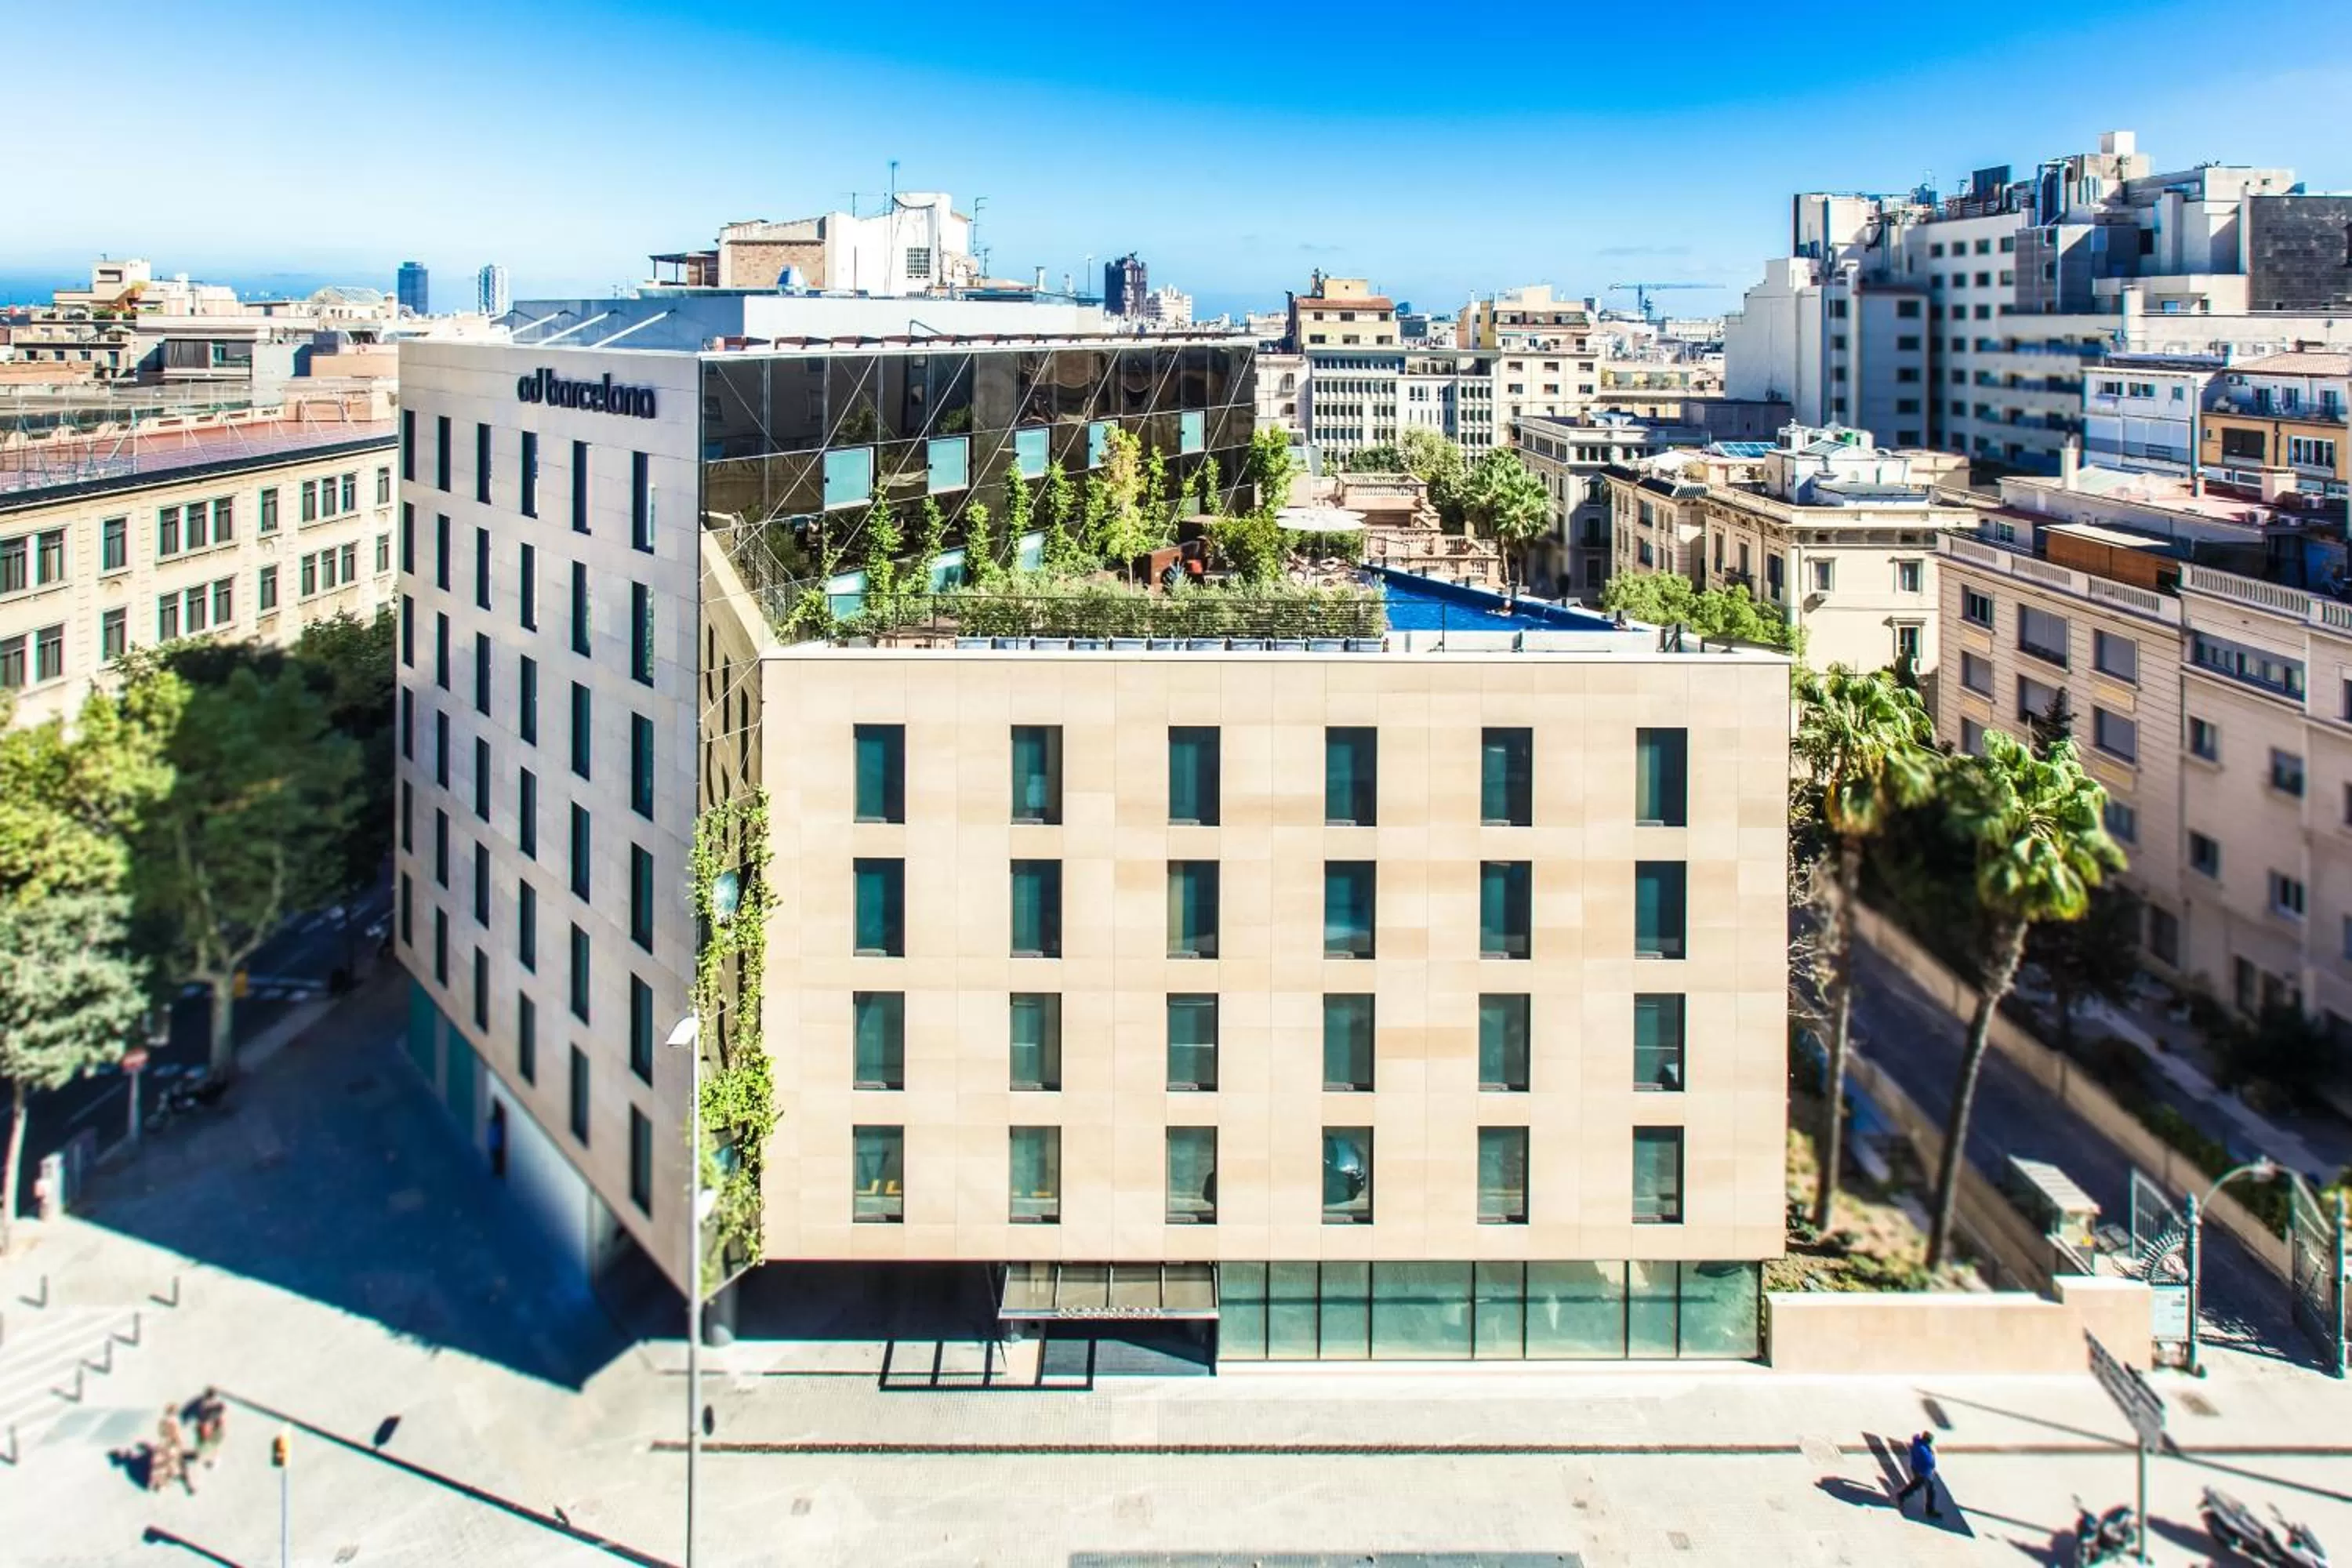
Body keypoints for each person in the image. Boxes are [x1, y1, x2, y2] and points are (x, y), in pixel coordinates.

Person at [1895, 1430, 1942, 1520]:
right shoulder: (1922, 1449)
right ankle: (1929, 1510)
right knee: (1930, 1491)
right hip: (1923, 1472)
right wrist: (1929, 1470)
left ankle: (1901, 1495)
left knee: (1916, 1485)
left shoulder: (1920, 1445)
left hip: (1919, 1470)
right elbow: (1927, 1461)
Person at [151, 1407, 189, 1495]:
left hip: (167, 1449)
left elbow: (158, 1462)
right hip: (171, 1450)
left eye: (157, 1484)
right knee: (172, 1434)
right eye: (159, 1484)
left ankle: (171, 1416)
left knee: (169, 1434)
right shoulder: (170, 1475)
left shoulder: (157, 1474)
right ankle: (172, 1416)